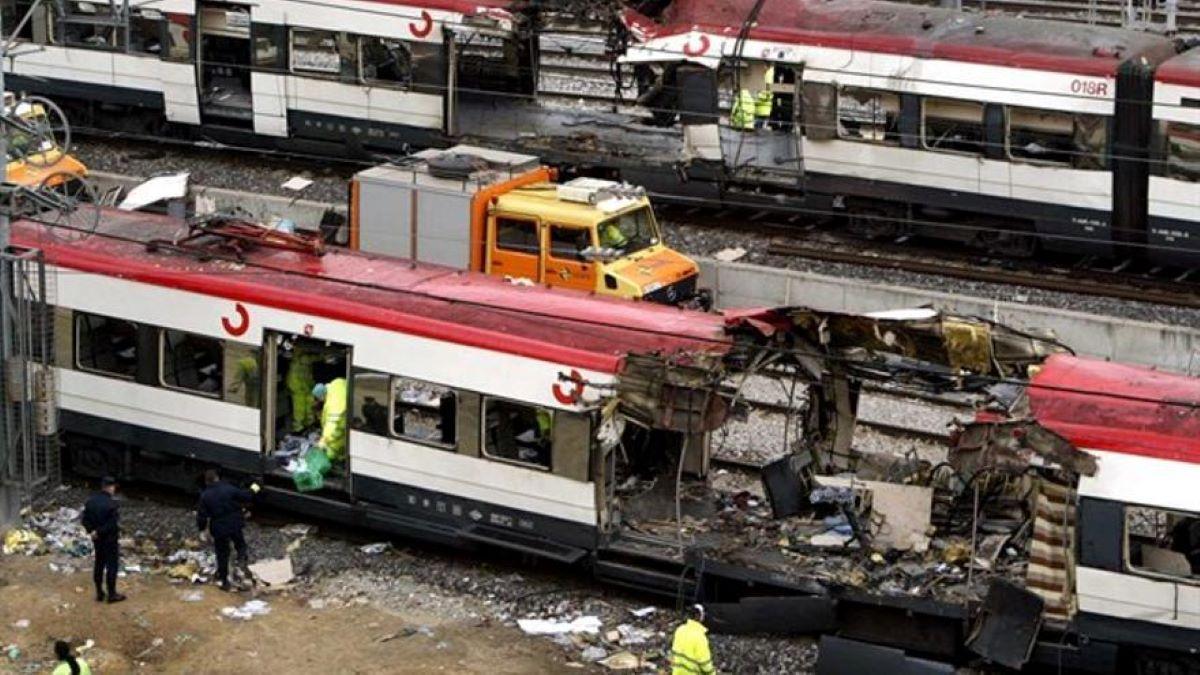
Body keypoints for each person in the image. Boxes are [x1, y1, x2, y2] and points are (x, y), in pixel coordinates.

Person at [197, 469, 260, 592]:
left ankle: (224, 581)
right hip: (235, 523)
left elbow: (202, 516)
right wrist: (256, 486)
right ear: (217, 478)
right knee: (240, 544)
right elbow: (247, 496)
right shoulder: (228, 488)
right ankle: (241, 561)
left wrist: (202, 530)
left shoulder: (205, 496)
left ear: (207, 482)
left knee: (222, 554)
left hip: (219, 528)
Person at [81, 476, 125, 604]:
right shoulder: (112, 504)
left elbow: (84, 520)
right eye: (113, 487)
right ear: (110, 487)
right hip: (109, 539)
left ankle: (99, 592)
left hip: (97, 539)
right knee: (112, 565)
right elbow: (112, 524)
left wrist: (92, 531)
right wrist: (99, 531)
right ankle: (112, 594)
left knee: (99, 564)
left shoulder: (91, 501)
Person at [671, 604, 716, 675]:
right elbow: (704, 663)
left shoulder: (679, 630)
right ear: (700, 616)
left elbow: (674, 653)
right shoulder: (700, 636)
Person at [285, 346, 320, 433]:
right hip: (298, 386)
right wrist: (322, 356)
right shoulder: (300, 357)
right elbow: (306, 359)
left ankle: (308, 426)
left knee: (309, 407)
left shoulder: (302, 358)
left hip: (306, 386)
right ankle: (298, 429)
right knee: (299, 410)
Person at [313, 378, 348, 462]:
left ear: (322, 396)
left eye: (318, 399)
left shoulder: (333, 404)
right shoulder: (336, 383)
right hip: (347, 417)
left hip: (340, 427)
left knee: (330, 453)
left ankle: (339, 460)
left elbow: (332, 425)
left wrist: (323, 441)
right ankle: (342, 456)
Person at [755, 65, 775, 130]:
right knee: (761, 125)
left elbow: (767, 92)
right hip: (764, 108)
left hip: (763, 108)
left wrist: (758, 95)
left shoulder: (768, 75)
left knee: (759, 126)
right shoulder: (769, 74)